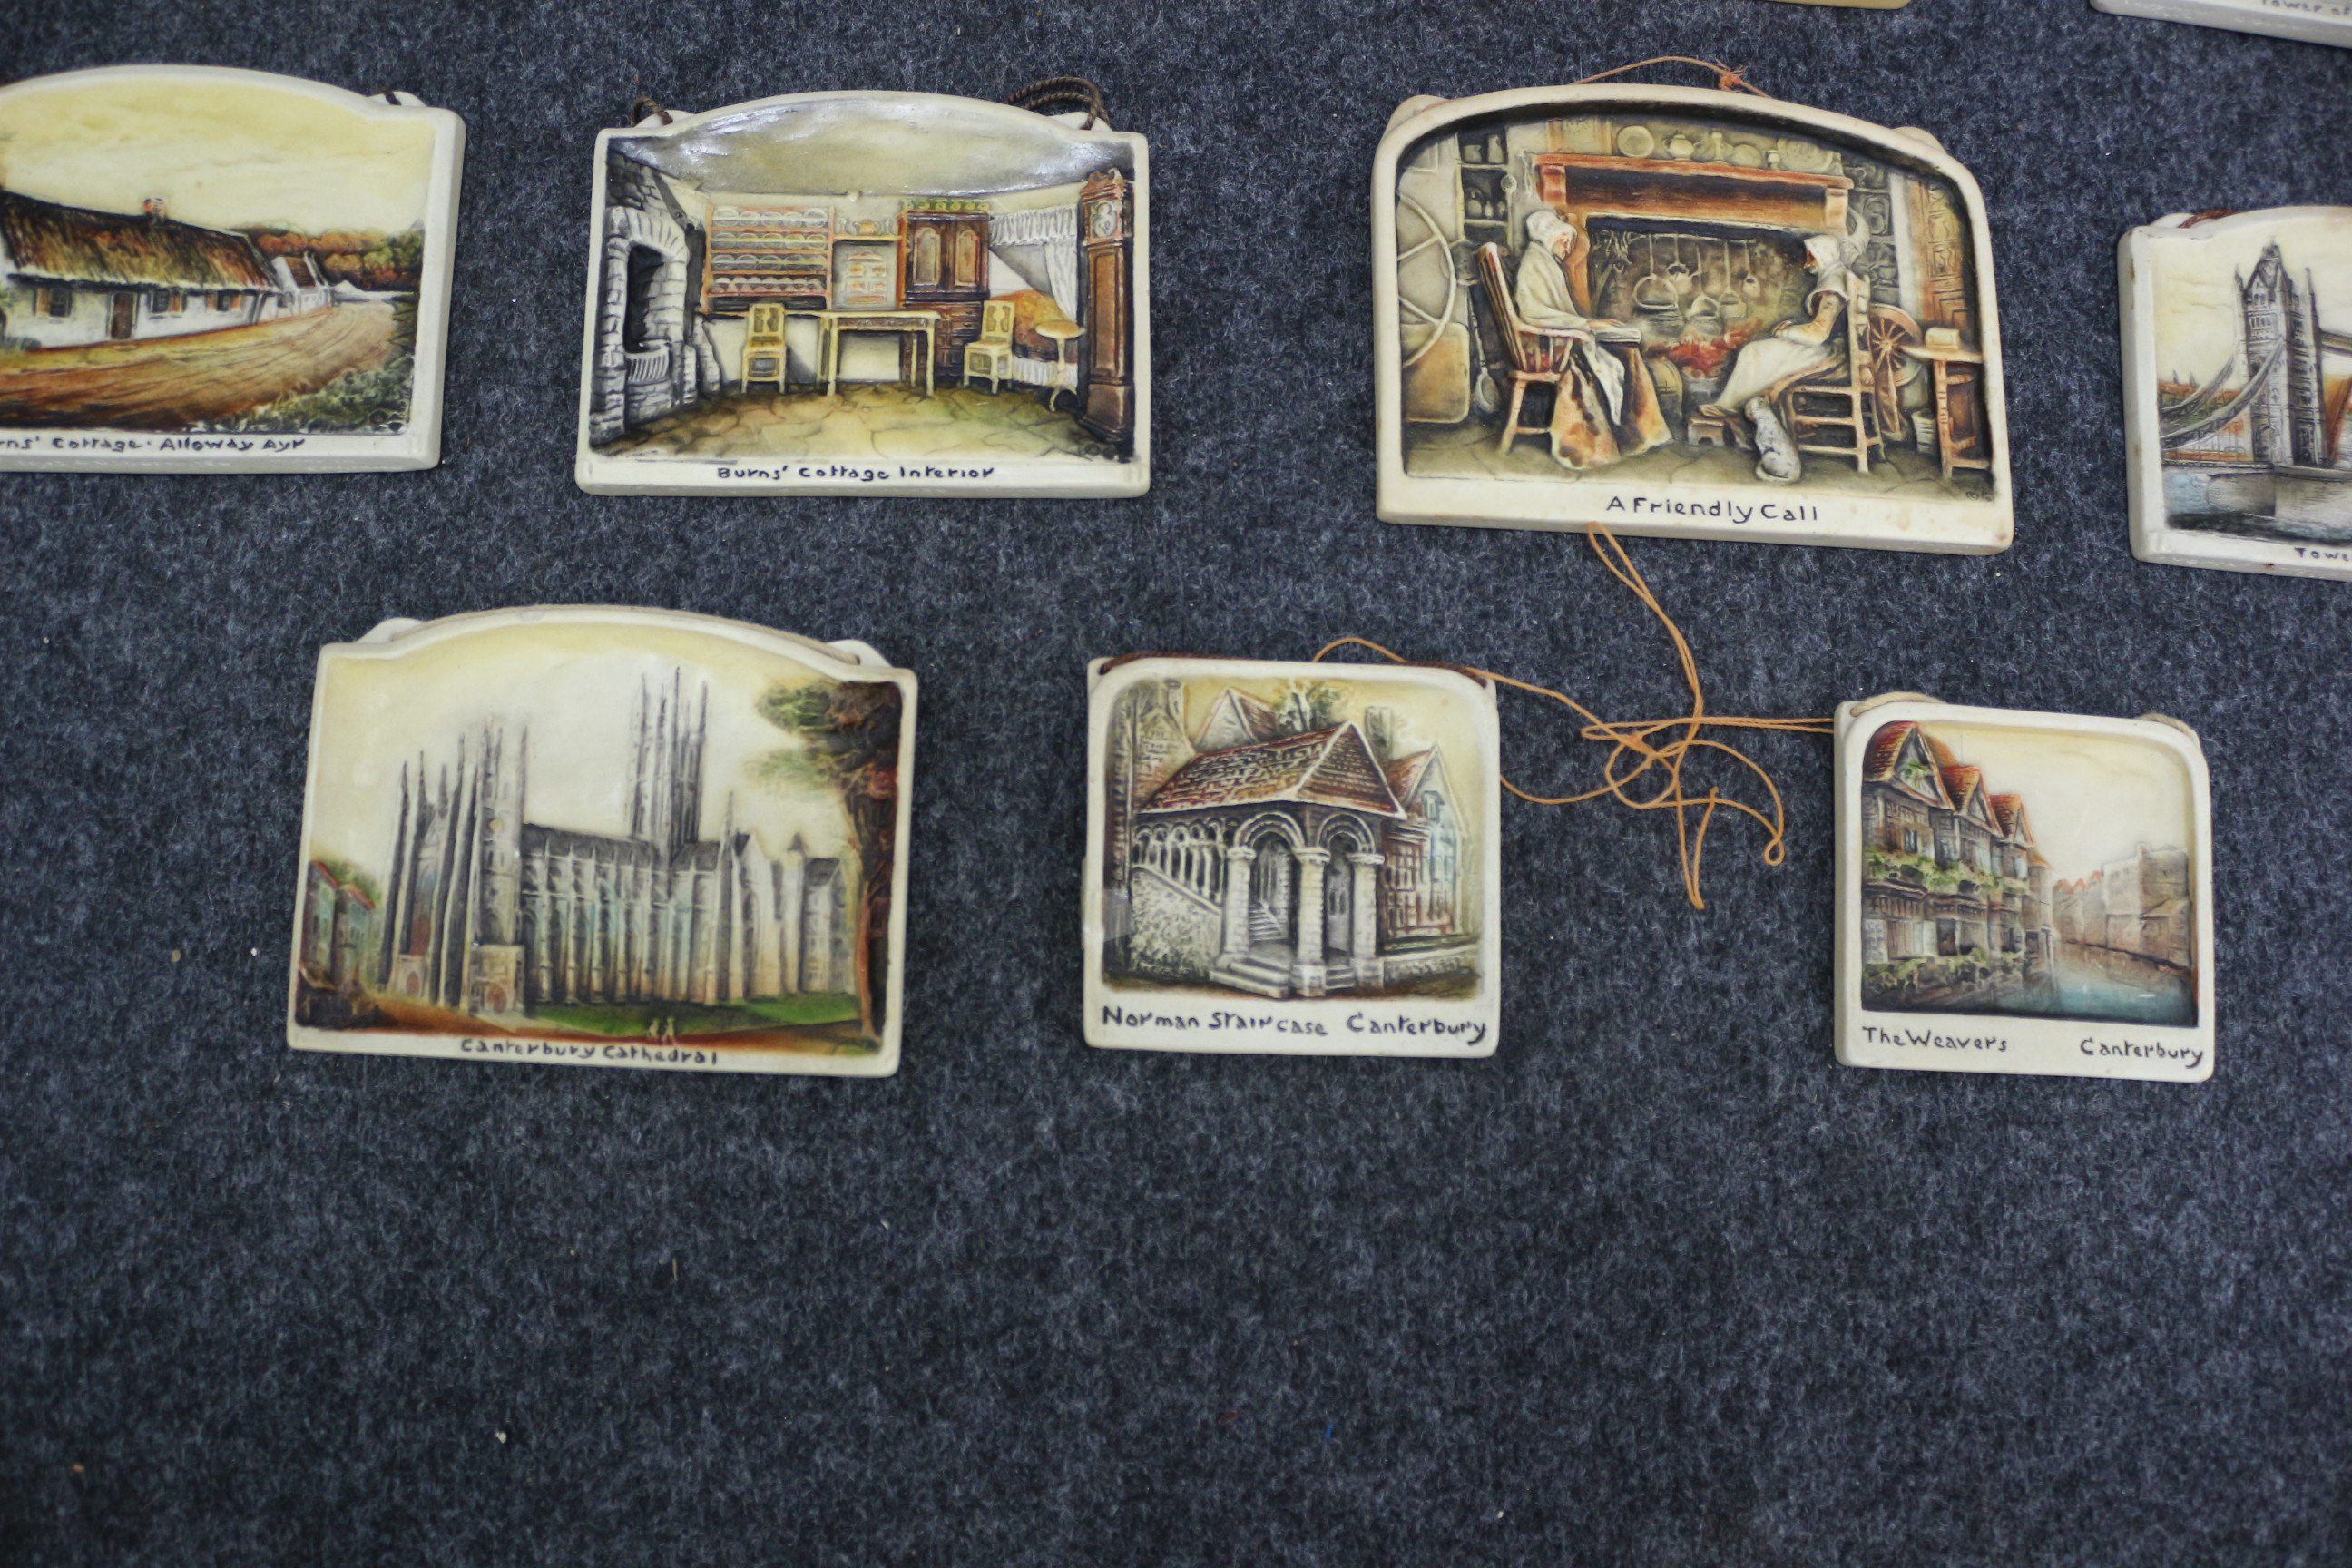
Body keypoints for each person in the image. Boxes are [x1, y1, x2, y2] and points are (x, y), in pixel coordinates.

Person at [1702, 224, 1870, 484]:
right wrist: (1791, 330)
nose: (1808, 264)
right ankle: (1734, 406)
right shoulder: (1837, 278)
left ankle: (1727, 407)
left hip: (1827, 355)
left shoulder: (1832, 286)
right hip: (1827, 349)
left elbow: (1818, 333)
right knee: (1761, 352)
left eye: (1812, 257)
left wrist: (1788, 332)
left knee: (1755, 352)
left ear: (1824, 255)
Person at [1512, 211, 1669, 471]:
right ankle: (1590, 448)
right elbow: (1533, 313)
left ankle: (1640, 433)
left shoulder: (1547, 261)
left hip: (1561, 338)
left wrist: (1592, 325)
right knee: (1612, 357)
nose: (1568, 248)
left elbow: (1557, 313)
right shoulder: (1535, 262)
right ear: (1551, 237)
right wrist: (1587, 324)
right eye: (1564, 241)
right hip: (1545, 345)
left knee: (1627, 350)